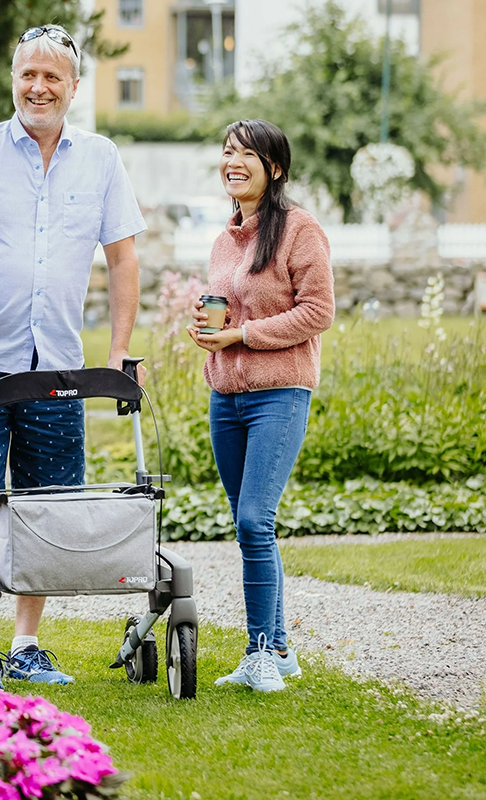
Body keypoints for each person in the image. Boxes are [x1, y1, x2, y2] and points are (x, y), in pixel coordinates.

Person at [0, 24, 146, 688]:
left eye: (53, 76)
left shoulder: (100, 157)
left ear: (74, 86)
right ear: (13, 79)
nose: (39, 86)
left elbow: (123, 257)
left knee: (47, 507)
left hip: (57, 368)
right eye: (28, 74)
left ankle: (24, 644)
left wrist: (120, 350)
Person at [187, 119, 334, 692]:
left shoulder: (301, 230)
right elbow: (230, 311)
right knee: (251, 528)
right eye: (227, 152)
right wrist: (211, 332)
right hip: (226, 397)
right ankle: (282, 651)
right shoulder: (225, 240)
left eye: (247, 153)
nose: (234, 162)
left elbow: (317, 311)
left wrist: (243, 337)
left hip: (280, 392)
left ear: (273, 168)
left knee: (254, 520)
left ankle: (260, 653)